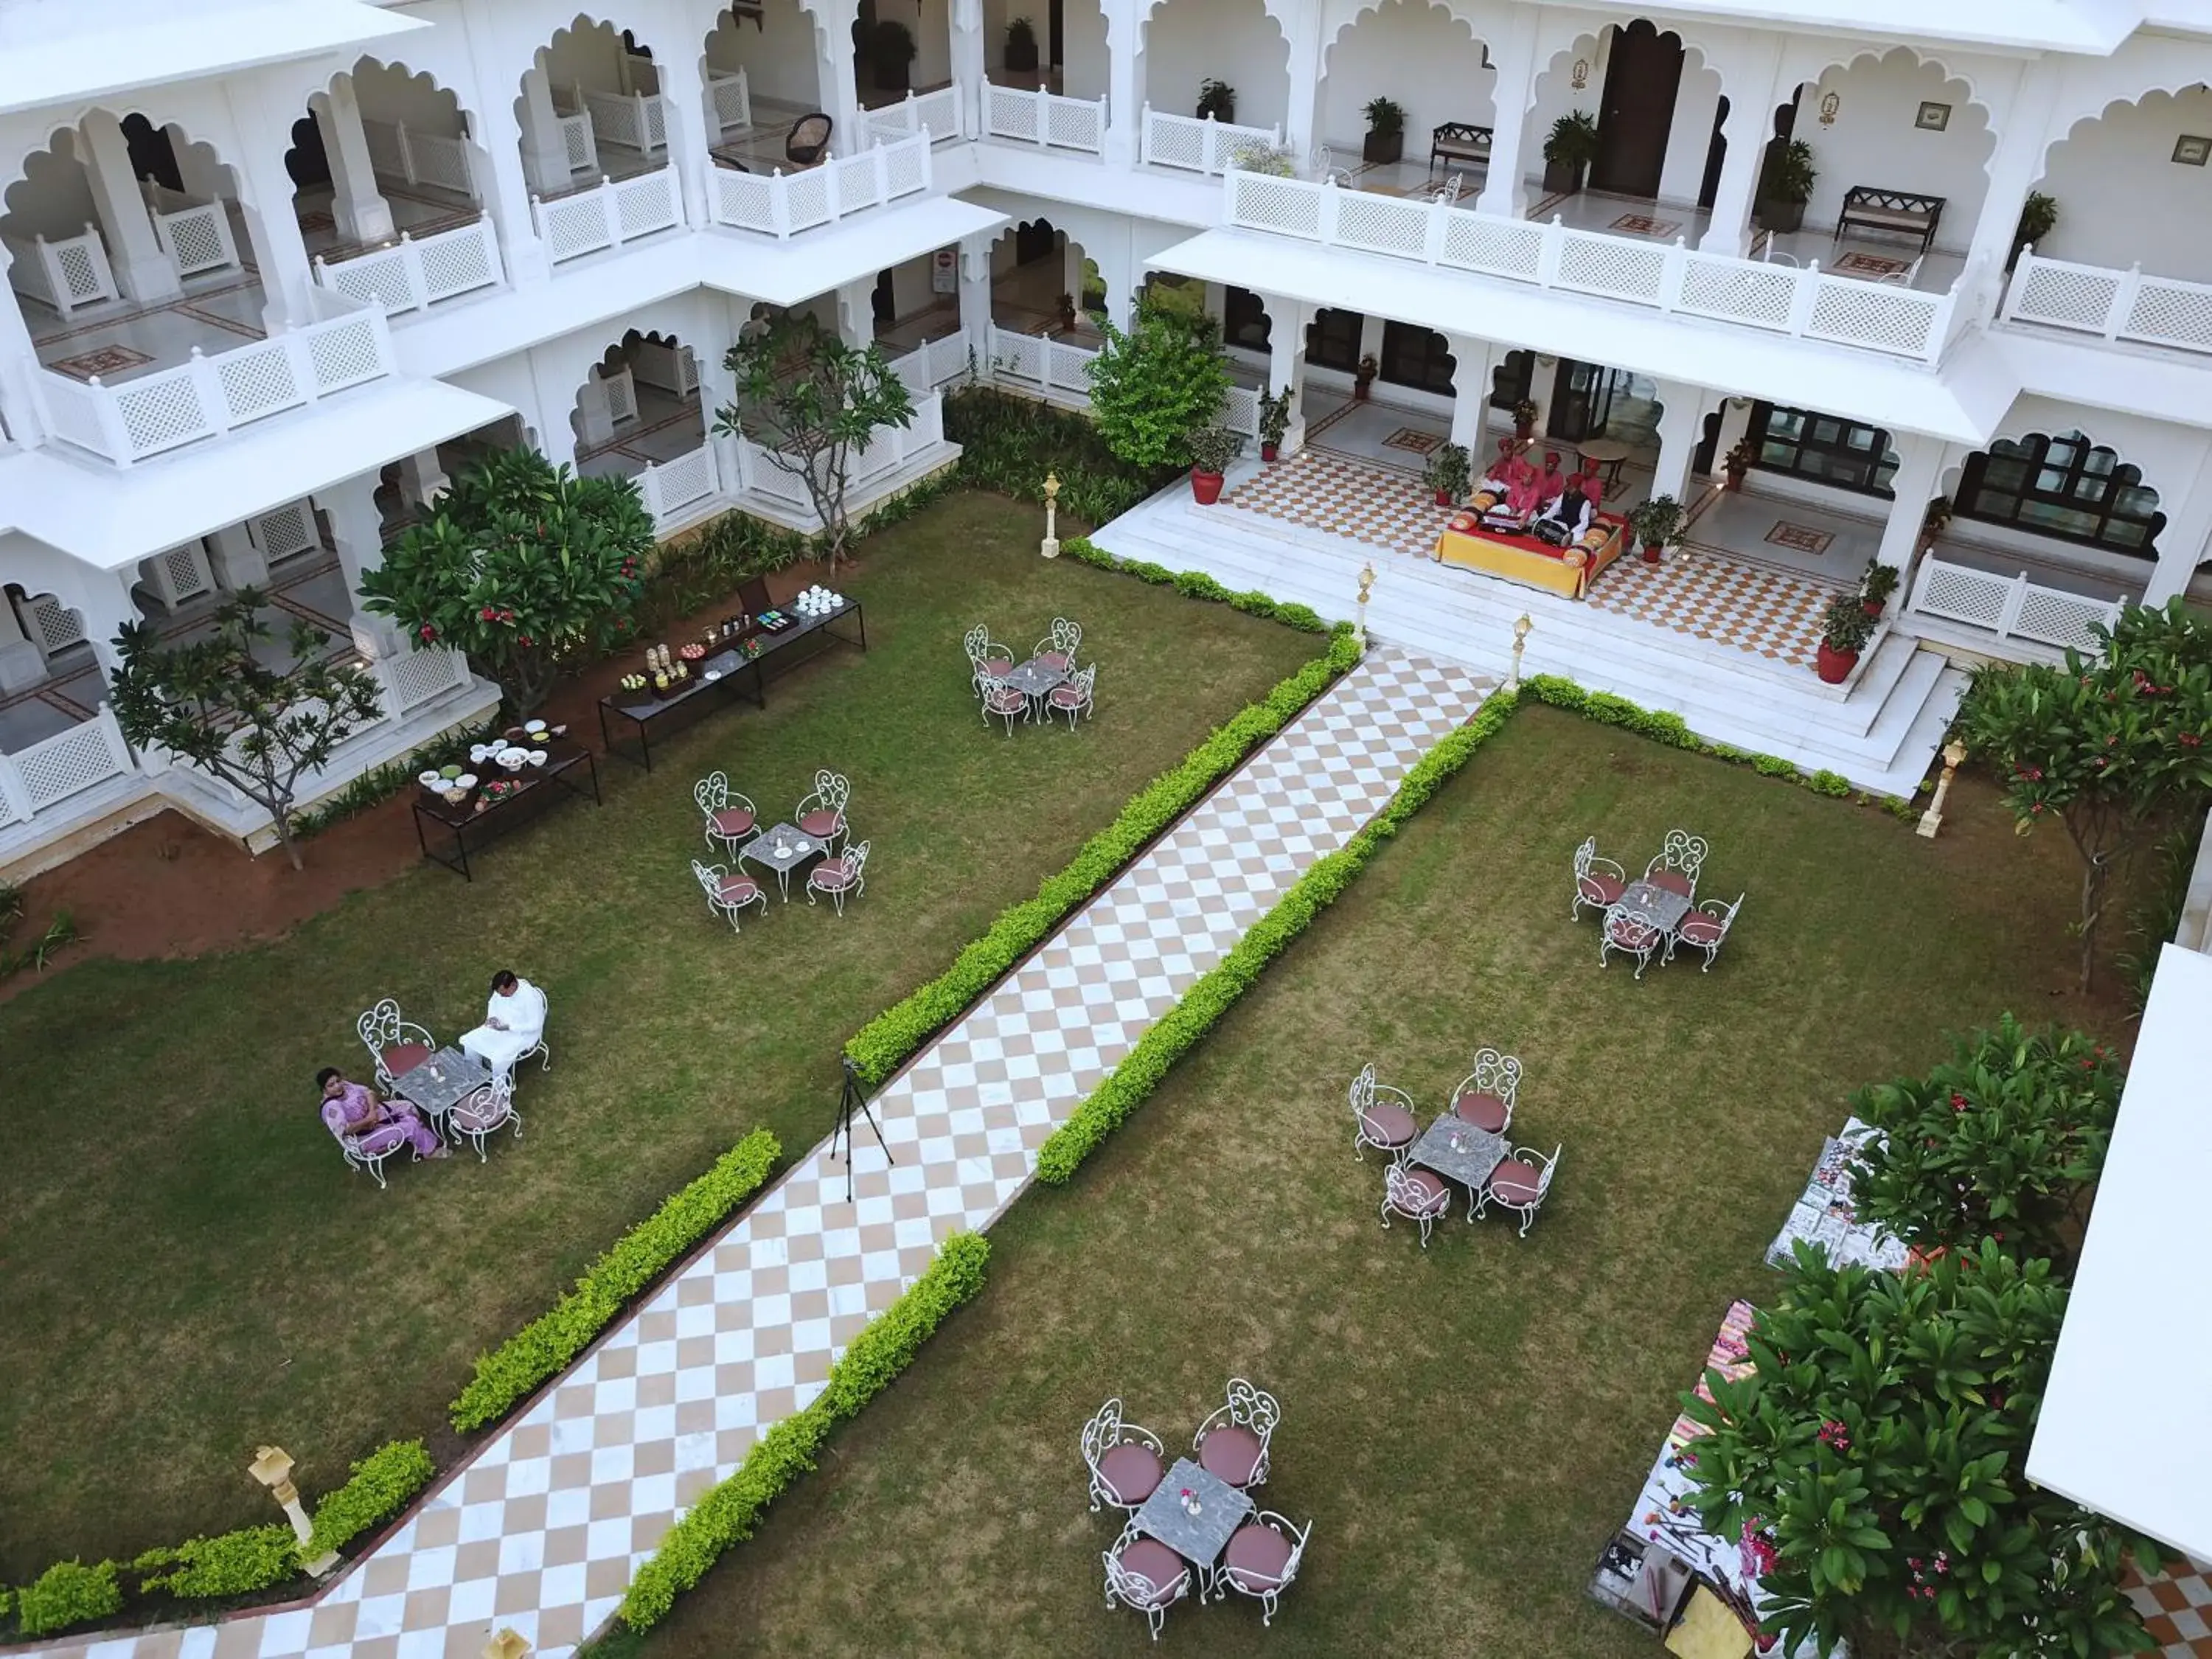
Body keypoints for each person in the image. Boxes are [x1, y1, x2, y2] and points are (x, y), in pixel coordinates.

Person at [318, 1067, 448, 1159]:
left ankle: (420, 1139)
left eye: (338, 1081)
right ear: (324, 1089)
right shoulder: (332, 1108)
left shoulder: (345, 1086)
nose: (338, 1086)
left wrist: (372, 1111)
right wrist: (369, 1120)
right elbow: (346, 1130)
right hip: (364, 1136)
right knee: (410, 1125)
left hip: (375, 1113)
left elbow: (368, 1092)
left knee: (408, 1107)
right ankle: (428, 1152)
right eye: (331, 1085)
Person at [460, 969, 547, 1078]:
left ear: (513, 985)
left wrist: (509, 1027)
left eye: (504, 994)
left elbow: (536, 1024)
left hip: (521, 1035)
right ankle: (475, 1077)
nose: (501, 996)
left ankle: (499, 1087)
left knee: (499, 1058)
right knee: (471, 1041)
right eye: (500, 993)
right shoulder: (501, 991)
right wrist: (492, 1019)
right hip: (499, 1026)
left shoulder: (530, 997)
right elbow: (492, 1003)